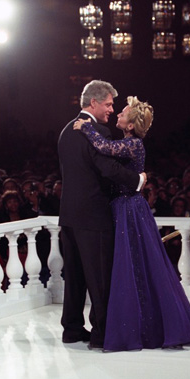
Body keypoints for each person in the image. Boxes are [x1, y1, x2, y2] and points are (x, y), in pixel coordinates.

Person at [74, 95, 190, 351]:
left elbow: (103, 147)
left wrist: (86, 126)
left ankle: (143, 328)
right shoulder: (127, 142)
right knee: (130, 266)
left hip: (129, 209)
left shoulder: (134, 144)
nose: (118, 115)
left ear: (131, 125)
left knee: (134, 265)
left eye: (122, 113)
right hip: (122, 207)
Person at [58, 80, 145, 349]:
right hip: (94, 217)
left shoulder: (65, 131)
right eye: (108, 104)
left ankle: (71, 329)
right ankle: (101, 334)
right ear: (93, 103)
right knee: (99, 278)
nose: (111, 109)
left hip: (69, 218)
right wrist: (138, 180)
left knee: (74, 277)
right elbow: (107, 168)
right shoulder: (96, 130)